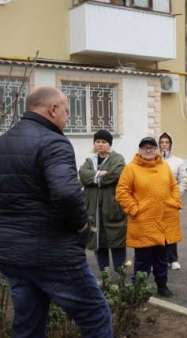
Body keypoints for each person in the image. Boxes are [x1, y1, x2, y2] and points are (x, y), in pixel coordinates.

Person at [0, 86, 112, 337]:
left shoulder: (3, 141)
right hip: (51, 252)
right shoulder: (54, 142)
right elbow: (66, 193)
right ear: (52, 109)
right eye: (66, 110)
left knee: (28, 323)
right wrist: (82, 227)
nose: (68, 116)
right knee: (95, 313)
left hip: (11, 253)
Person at [116, 136, 182, 298]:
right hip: (143, 222)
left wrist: (174, 202)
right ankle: (139, 288)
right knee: (142, 260)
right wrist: (134, 209)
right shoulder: (131, 168)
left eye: (151, 147)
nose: (148, 150)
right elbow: (122, 192)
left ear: (156, 149)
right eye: (145, 147)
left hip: (163, 221)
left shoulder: (164, 166)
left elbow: (174, 186)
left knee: (161, 258)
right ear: (140, 150)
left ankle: (162, 286)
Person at [79, 129, 127, 272]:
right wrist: (100, 175)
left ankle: (120, 273)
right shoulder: (90, 161)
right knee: (99, 242)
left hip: (112, 208)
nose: (100, 144)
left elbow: (115, 175)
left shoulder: (117, 159)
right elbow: (82, 175)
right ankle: (104, 273)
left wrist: (93, 177)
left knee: (117, 241)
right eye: (97, 141)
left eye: (104, 142)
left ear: (109, 144)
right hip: (93, 210)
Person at [159, 132, 187, 271]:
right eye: (162, 142)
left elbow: (183, 180)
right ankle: (161, 259)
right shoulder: (154, 159)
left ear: (171, 144)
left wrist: (176, 195)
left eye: (167, 142)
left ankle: (173, 259)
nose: (164, 144)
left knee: (171, 230)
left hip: (171, 200)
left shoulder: (178, 161)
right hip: (156, 201)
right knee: (158, 231)